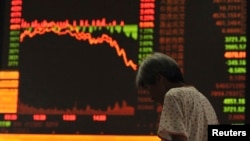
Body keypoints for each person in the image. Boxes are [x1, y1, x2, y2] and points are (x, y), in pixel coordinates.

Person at [135, 52, 219, 141]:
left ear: (159, 78)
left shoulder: (172, 96)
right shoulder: (202, 99)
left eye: (149, 88)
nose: (151, 97)